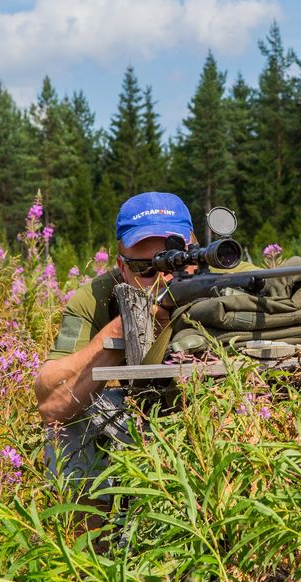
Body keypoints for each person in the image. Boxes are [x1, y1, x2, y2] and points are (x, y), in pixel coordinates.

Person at [35, 191, 196, 501]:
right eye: (144, 269)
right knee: (69, 429)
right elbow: (51, 402)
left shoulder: (230, 280)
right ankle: (89, 543)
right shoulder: (99, 297)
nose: (162, 277)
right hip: (141, 410)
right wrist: (124, 327)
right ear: (122, 267)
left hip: (217, 409)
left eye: (176, 263)